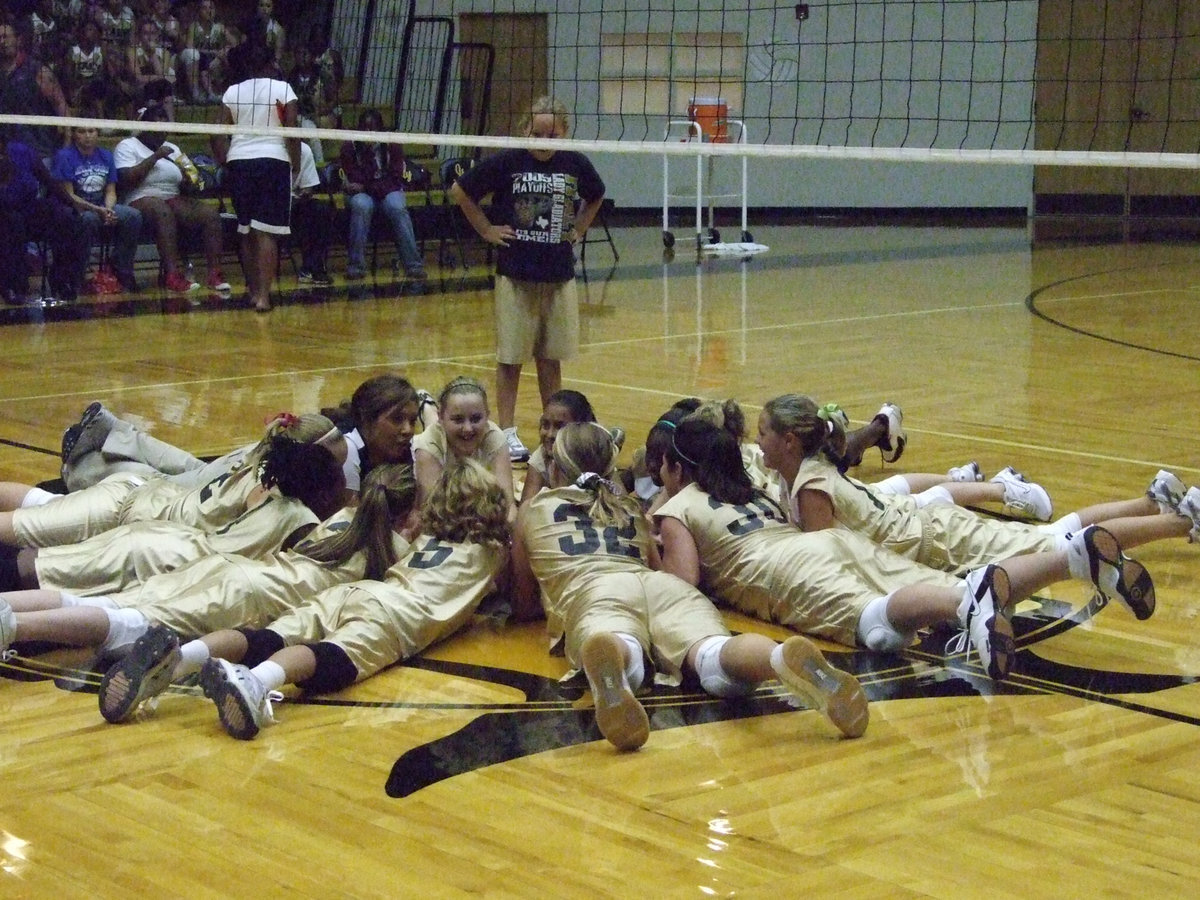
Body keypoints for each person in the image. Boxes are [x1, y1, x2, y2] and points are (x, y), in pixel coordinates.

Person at [654, 417, 1155, 682]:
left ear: (677, 469)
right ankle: (1071, 559)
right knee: (941, 588)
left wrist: (655, 542)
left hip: (781, 566)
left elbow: (682, 584)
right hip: (831, 543)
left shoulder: (678, 507)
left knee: (879, 622)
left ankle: (967, 604)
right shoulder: (753, 479)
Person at [509, 421, 869, 751]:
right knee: (711, 652)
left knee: (624, 642)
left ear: (555, 467)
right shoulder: (629, 506)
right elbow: (654, 565)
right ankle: (777, 658)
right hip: (661, 585)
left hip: (597, 589)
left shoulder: (534, 510)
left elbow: (523, 603)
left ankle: (618, 660)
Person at [96, 458, 510, 740]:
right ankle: (256, 682)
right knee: (327, 656)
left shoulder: (426, 537)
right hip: (396, 616)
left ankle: (181, 658)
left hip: (356, 593)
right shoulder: (493, 549)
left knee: (269, 637)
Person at [0, 464, 416, 717]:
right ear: (411, 515)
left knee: (102, 602)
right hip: (247, 596)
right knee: (124, 624)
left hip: (225, 567)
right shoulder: (396, 551)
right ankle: (14, 627)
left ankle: (8, 613)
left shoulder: (343, 518)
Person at [758, 393, 1196, 587]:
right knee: (1056, 536)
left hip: (936, 540)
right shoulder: (803, 471)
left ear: (790, 441)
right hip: (925, 530)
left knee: (1059, 543)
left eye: (763, 434)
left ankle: (1179, 520)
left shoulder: (810, 487)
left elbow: (828, 561)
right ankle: (1153, 503)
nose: (758, 443)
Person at [448, 96, 606, 463]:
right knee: (511, 357)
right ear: (525, 130)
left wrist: (579, 227)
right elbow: (461, 192)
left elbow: (596, 195)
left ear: (563, 133)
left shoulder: (575, 163)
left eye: (551, 133)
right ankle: (506, 432)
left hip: (558, 274)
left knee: (551, 357)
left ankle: (557, 430)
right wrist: (486, 229)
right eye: (536, 132)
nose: (543, 139)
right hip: (516, 274)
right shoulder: (508, 160)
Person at [9, 436, 345, 597]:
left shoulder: (261, 473)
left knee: (34, 557)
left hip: (153, 527)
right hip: (153, 539)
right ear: (323, 492)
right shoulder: (300, 521)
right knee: (34, 567)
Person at [1, 412, 345, 557]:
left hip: (144, 506)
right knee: (23, 528)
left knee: (42, 507)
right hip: (129, 504)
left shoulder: (264, 456)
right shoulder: (268, 491)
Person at [211, 33, 299, 312]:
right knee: (267, 233)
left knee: (246, 229)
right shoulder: (284, 89)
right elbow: (293, 133)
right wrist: (295, 164)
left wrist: (226, 162)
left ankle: (252, 292)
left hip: (240, 163)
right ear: (271, 63)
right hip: (273, 162)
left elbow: (217, 134)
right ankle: (264, 296)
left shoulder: (232, 92)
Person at [114, 103, 229, 294]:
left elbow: (195, 181)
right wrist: (155, 157)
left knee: (210, 215)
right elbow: (126, 181)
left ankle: (214, 274)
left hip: (173, 195)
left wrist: (189, 181)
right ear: (145, 126)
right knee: (162, 211)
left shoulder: (173, 148)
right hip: (141, 196)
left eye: (165, 128)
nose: (162, 133)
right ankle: (172, 275)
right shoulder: (127, 145)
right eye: (157, 127)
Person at [52, 125, 143, 293]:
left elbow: (110, 191)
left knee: (133, 216)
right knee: (88, 219)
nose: (87, 135)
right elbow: (69, 196)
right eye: (82, 131)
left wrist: (108, 209)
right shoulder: (64, 156)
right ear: (74, 134)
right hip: (74, 207)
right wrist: (98, 210)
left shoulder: (106, 155)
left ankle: (122, 269)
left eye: (91, 131)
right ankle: (76, 275)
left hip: (101, 205)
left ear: (97, 133)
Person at [338, 106, 425, 281]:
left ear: (381, 129)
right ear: (360, 129)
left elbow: (395, 176)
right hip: (369, 192)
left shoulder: (392, 144)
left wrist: (365, 186)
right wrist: (370, 179)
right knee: (361, 205)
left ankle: (413, 265)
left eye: (373, 128)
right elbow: (353, 176)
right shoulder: (350, 146)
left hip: (384, 189)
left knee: (397, 206)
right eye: (365, 128)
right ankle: (356, 266)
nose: (369, 132)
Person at [412, 376, 515, 522]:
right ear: (441, 416)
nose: (467, 428)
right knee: (433, 431)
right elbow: (429, 512)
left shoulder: (495, 437)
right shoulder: (427, 446)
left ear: (487, 416)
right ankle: (428, 409)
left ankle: (431, 411)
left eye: (476, 419)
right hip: (435, 442)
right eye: (458, 419)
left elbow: (509, 507)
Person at [0, 135, 88, 305]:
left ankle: (61, 279)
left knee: (62, 216)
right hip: (4, 213)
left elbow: (49, 181)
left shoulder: (21, 151)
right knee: (13, 222)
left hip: (26, 207)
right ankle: (12, 285)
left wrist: (72, 203)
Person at [0, 19, 70, 158]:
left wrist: (66, 146)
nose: (2, 42)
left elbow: (60, 105)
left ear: (18, 40)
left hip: (39, 150)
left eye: (6, 37)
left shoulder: (37, 70)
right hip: (5, 153)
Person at [518, 389, 597, 505]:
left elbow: (622, 505)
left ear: (581, 429)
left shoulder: (598, 454)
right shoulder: (541, 457)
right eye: (545, 425)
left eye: (559, 427)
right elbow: (525, 511)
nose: (550, 434)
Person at [291, 140, 332, 286]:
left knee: (320, 210)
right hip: (271, 204)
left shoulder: (304, 150)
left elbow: (308, 187)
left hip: (295, 203)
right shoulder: (266, 149)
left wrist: (303, 194)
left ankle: (313, 267)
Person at [178, 0, 234, 104]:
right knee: (196, 55)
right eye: (205, 8)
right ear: (199, 11)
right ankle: (199, 94)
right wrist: (213, 52)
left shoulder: (219, 27)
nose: (208, 11)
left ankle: (217, 93)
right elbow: (189, 47)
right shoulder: (194, 27)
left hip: (214, 62)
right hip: (196, 62)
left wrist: (224, 50)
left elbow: (234, 43)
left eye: (211, 8)